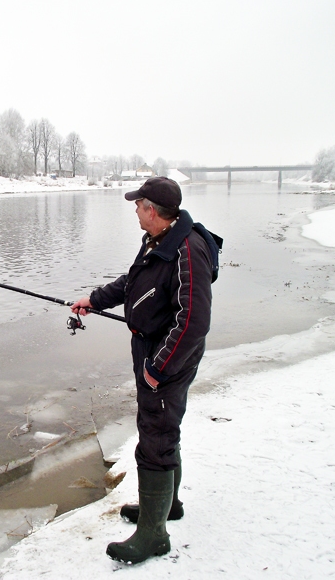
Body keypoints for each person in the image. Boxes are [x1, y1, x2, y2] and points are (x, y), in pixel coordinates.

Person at [70, 176, 222, 565]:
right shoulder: (159, 241)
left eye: (138, 206)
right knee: (162, 430)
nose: (135, 212)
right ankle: (166, 506)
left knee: (155, 436)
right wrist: (95, 299)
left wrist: (159, 367)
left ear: (152, 210)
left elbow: (193, 321)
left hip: (166, 360)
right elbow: (135, 284)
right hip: (153, 353)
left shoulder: (189, 249)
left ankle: (154, 535)